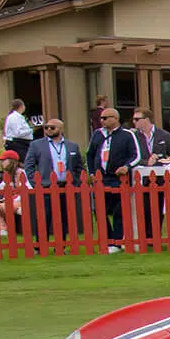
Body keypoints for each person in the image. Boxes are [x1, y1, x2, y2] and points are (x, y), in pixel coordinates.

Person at [21, 116, 85, 244]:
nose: (48, 130)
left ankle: (62, 244)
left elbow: (79, 166)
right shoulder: (36, 145)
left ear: (60, 129)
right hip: (46, 186)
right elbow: (28, 165)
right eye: (46, 127)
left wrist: (75, 181)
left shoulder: (72, 146)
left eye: (52, 127)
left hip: (65, 186)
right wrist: (36, 183)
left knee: (64, 218)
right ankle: (40, 245)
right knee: (44, 218)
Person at [88, 106, 137, 251]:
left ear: (115, 119)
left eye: (105, 118)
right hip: (100, 179)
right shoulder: (97, 134)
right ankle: (107, 240)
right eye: (100, 118)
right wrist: (91, 172)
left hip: (118, 179)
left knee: (118, 211)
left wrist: (126, 167)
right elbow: (90, 154)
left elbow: (136, 155)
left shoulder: (127, 135)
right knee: (99, 210)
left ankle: (116, 241)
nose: (101, 121)